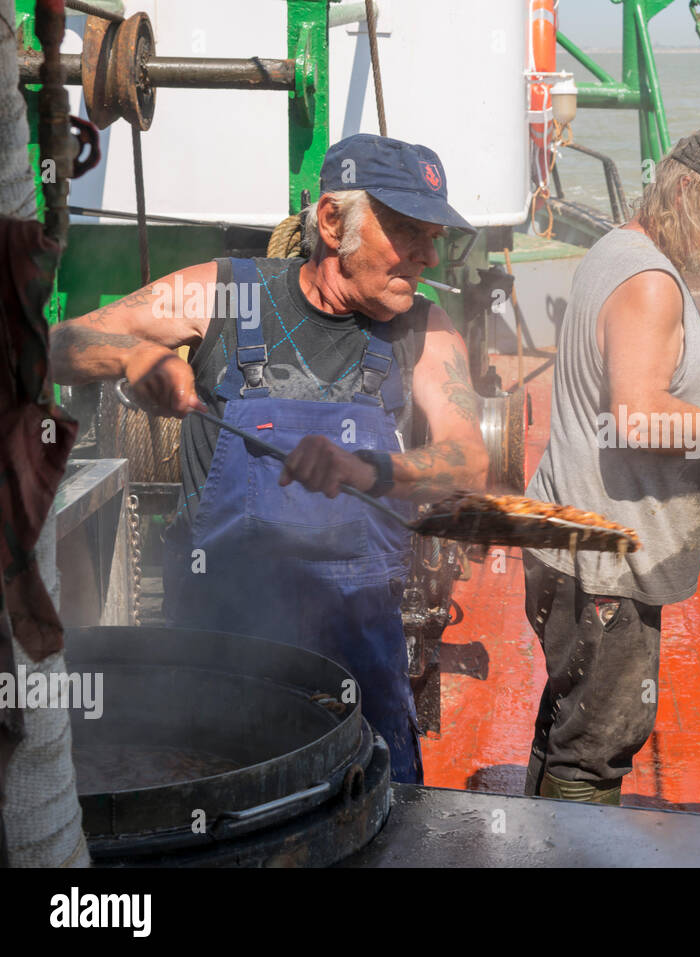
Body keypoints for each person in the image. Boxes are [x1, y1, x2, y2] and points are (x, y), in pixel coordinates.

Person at [49, 134, 489, 783]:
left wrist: (371, 470)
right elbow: (56, 344)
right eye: (407, 231)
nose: (428, 254)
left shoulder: (423, 328)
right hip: (215, 677)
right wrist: (131, 356)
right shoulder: (227, 294)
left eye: (435, 234)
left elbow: (469, 460)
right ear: (334, 221)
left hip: (360, 676)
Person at [522, 126, 700, 804]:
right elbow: (637, 416)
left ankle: (538, 840)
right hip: (603, 562)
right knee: (593, 751)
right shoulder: (651, 285)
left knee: (566, 722)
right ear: (683, 190)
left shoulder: (616, 248)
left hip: (569, 539)